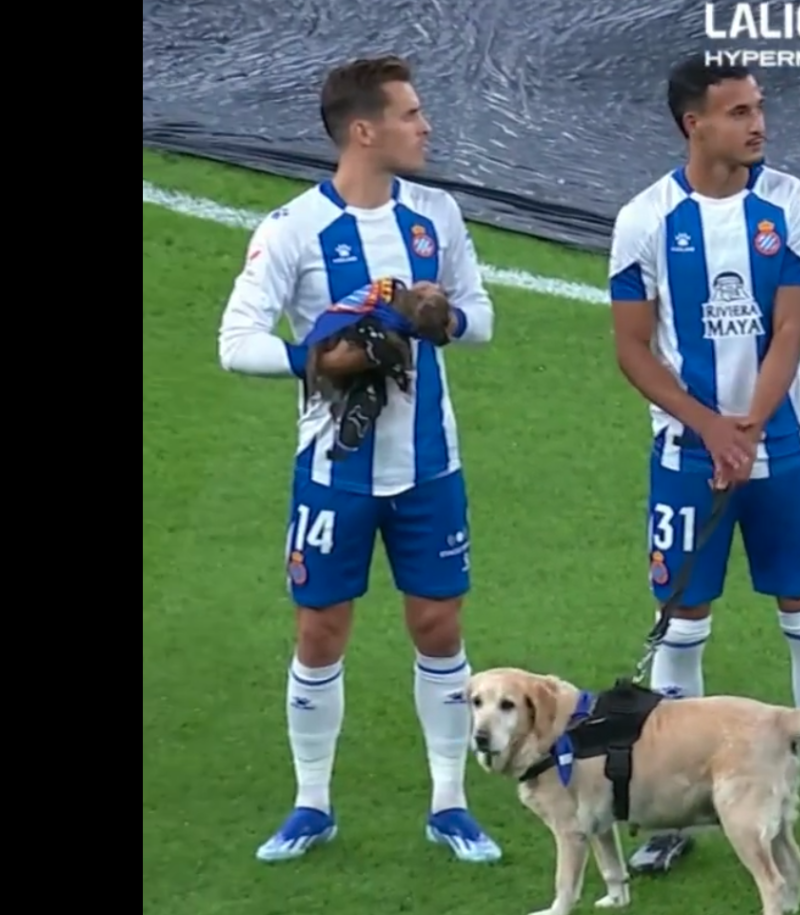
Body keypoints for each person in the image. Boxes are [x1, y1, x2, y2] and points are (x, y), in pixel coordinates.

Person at [216, 55, 501, 865]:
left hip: (429, 467)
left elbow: (481, 320)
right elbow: (236, 343)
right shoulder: (290, 229)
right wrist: (320, 362)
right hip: (333, 472)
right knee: (321, 630)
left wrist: (441, 315)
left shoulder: (437, 216)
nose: (426, 125)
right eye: (411, 114)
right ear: (365, 130)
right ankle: (312, 803)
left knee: (439, 624)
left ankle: (450, 802)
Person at [606, 54, 800, 878]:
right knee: (682, 626)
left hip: (783, 447)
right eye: (738, 112)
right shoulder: (644, 219)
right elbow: (631, 347)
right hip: (685, 456)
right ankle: (678, 811)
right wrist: (709, 431)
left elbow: (789, 329)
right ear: (695, 123)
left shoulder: (795, 204)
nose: (757, 123)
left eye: (758, 108)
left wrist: (747, 430)